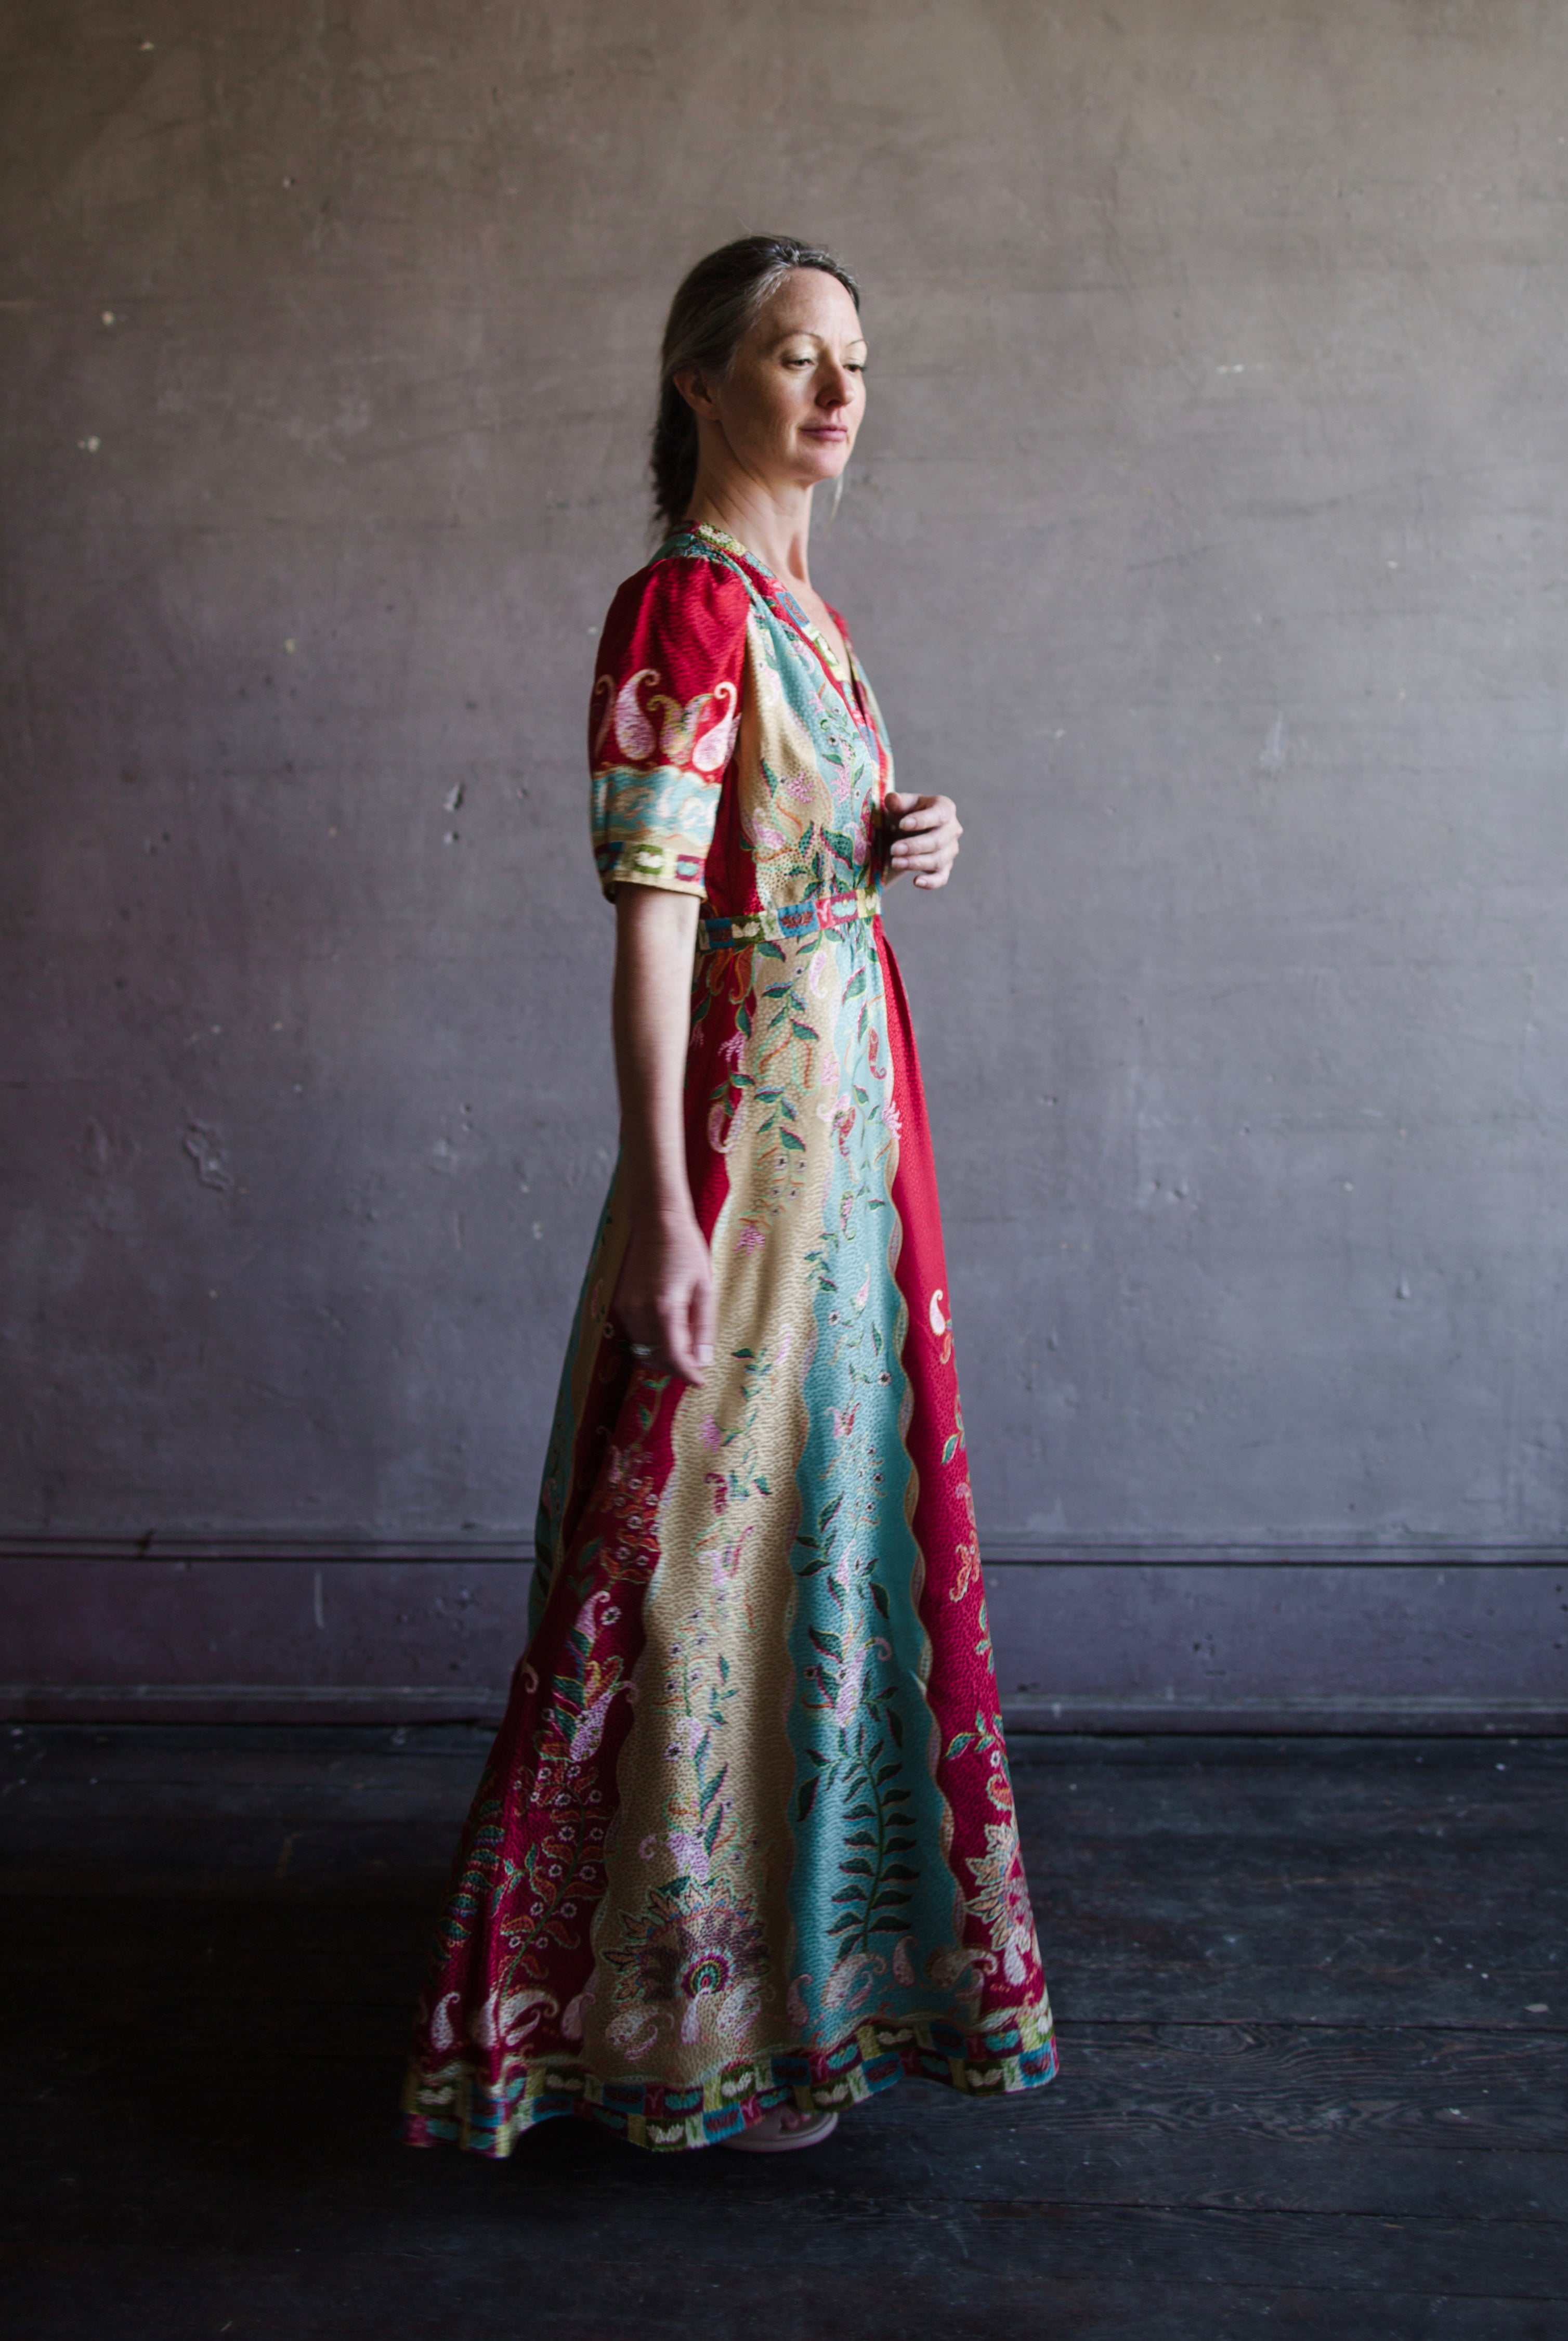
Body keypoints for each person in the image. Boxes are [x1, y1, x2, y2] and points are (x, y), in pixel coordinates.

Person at [402, 235, 1056, 2156]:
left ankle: (799, 1993)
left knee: (818, 1553)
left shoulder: (808, 617)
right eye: (794, 356)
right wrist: (668, 1214)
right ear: (701, 384)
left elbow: (799, 853)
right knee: (693, 1559)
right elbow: (654, 928)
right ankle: (658, 2010)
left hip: (851, 1155)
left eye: (854, 359)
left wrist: (902, 836)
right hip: (747, 1160)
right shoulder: (681, 609)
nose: (839, 392)